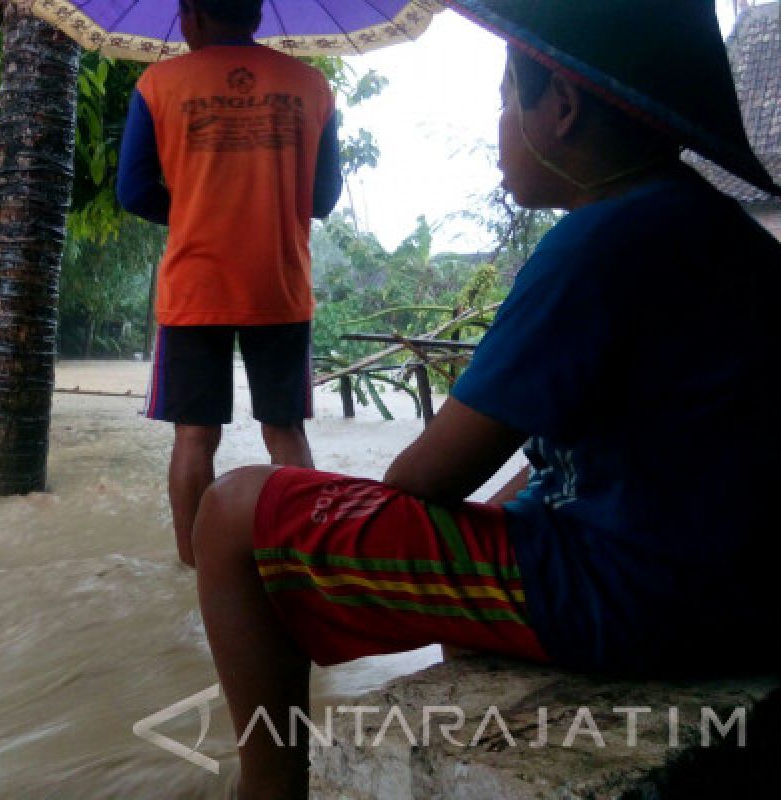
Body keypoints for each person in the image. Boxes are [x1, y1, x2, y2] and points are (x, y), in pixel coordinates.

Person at [190, 1, 781, 796]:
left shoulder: (596, 242)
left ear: (561, 107)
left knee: (232, 511)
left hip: (640, 605)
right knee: (523, 497)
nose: (500, 120)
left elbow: (422, 480)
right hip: (743, 600)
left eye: (507, 99)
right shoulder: (727, 237)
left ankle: (267, 787)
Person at [117, 0, 343, 567]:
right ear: (258, 13)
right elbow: (322, 199)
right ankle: (303, 564)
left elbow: (134, 190)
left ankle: (197, 574)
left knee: (195, 436)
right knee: (285, 430)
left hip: (197, 285)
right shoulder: (312, 86)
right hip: (280, 282)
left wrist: (199, 207)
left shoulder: (158, 83)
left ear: (191, 14)